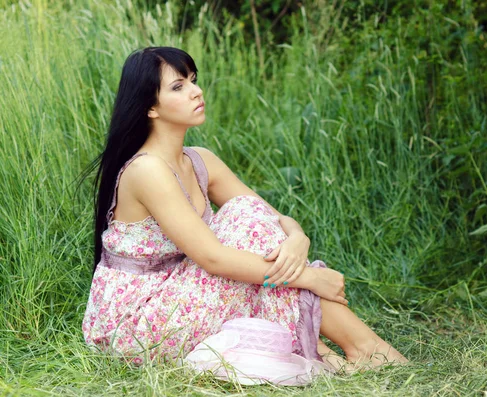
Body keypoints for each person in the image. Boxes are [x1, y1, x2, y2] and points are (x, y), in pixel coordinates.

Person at [81, 46, 407, 381]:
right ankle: (363, 349)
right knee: (248, 232)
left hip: (179, 293)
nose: (196, 91)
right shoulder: (147, 169)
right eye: (179, 87)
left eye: (193, 80)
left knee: (249, 217)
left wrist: (298, 239)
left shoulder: (199, 160)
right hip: (135, 324)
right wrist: (309, 276)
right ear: (150, 107)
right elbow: (214, 259)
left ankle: (355, 351)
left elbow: (272, 218)